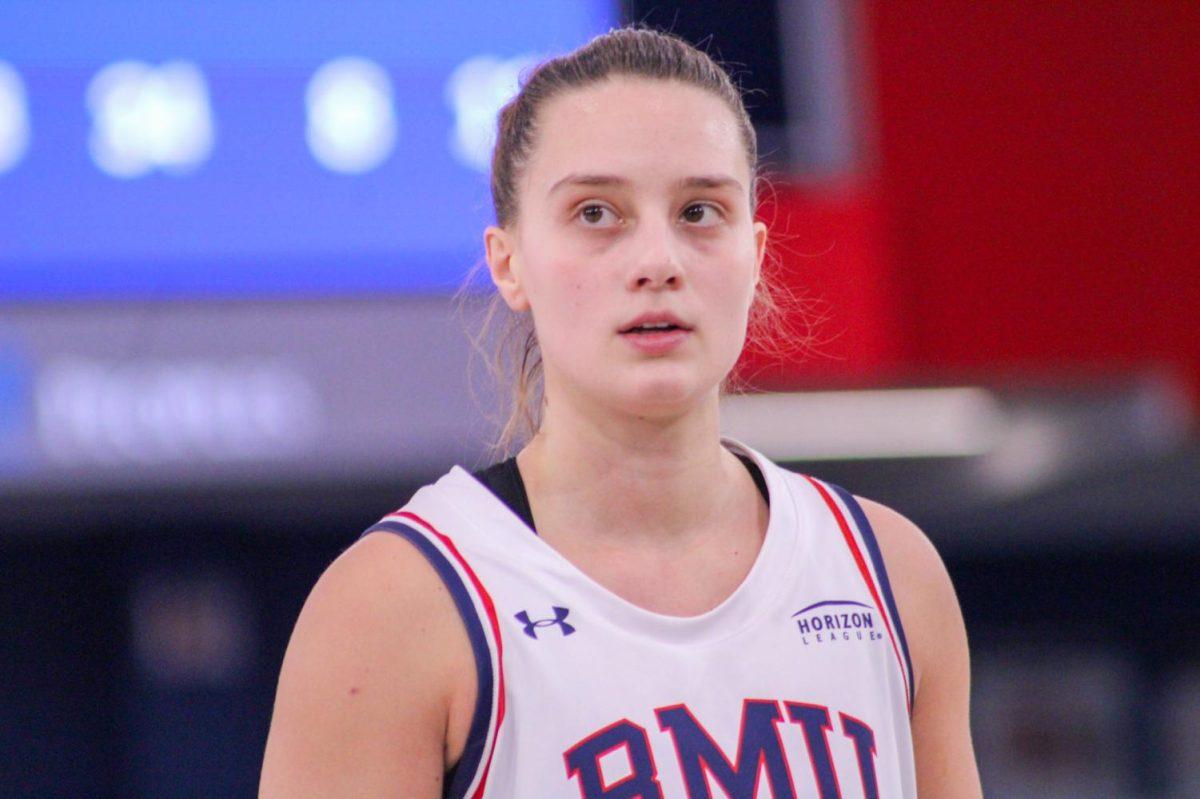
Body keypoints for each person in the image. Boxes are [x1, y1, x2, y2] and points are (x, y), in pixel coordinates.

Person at [260, 27, 982, 798]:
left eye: (700, 210)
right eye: (597, 213)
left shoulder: (888, 577)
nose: (657, 262)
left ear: (757, 253)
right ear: (510, 263)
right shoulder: (396, 605)